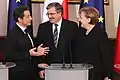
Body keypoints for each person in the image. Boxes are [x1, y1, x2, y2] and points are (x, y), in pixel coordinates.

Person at [5, 6, 49, 80]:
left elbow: (29, 50)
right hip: (19, 74)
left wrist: (36, 51)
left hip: (30, 73)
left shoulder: (27, 31)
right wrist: (29, 53)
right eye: (28, 17)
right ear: (19, 19)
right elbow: (8, 56)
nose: (31, 18)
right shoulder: (13, 34)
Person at [36, 2, 78, 78]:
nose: (49, 16)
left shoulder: (71, 26)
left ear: (60, 13)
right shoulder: (43, 27)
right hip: (48, 68)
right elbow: (39, 48)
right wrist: (40, 68)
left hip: (68, 68)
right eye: (48, 14)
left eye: (52, 14)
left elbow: (76, 48)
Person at [73, 7, 113, 80]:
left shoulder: (100, 34)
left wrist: (107, 75)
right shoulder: (80, 32)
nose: (79, 20)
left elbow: (106, 56)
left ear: (88, 19)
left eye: (81, 18)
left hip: (95, 74)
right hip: (80, 72)